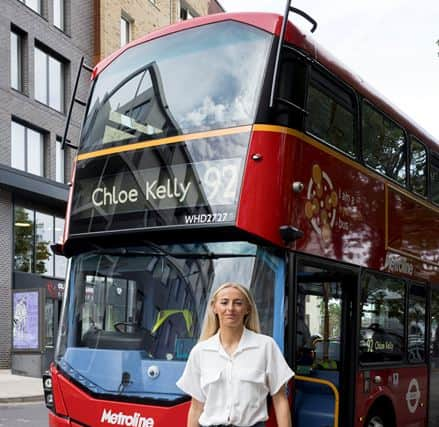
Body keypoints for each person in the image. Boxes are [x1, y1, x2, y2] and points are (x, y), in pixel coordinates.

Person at [177, 282, 294, 427]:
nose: (230, 309)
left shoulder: (266, 347)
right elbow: (196, 408)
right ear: (214, 307)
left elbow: (280, 400)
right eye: (224, 302)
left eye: (238, 303)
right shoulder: (200, 352)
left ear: (247, 309)